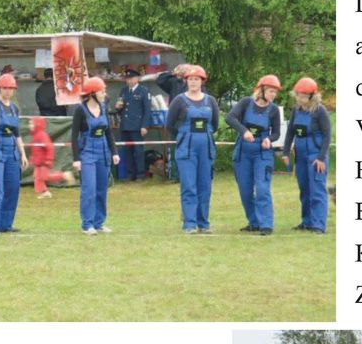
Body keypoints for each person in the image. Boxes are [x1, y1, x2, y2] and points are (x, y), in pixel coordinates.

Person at [165, 63, 219, 233]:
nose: (194, 82)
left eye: (197, 79)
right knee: (189, 186)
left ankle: (203, 223)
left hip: (206, 147)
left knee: (205, 186)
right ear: (186, 81)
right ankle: (189, 224)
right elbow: (170, 124)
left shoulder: (211, 101)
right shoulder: (179, 100)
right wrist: (183, 136)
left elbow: (215, 124)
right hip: (186, 149)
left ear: (202, 82)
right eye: (190, 79)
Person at [229, 73, 281, 235]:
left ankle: (266, 224)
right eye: (271, 91)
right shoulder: (245, 103)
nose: (273, 95)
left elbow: (276, 133)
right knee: (245, 190)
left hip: (262, 154)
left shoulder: (273, 111)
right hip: (243, 152)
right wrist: (243, 131)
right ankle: (254, 222)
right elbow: (230, 118)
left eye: (275, 92)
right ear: (261, 90)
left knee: (262, 188)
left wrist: (269, 139)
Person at [281, 76, 330, 233]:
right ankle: (306, 221)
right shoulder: (296, 110)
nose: (300, 99)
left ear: (312, 96)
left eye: (303, 96)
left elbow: (327, 135)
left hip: (316, 156)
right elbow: (290, 132)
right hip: (301, 156)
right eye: (298, 95)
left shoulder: (320, 111)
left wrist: (321, 158)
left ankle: (318, 225)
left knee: (317, 191)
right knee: (305, 190)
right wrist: (286, 151)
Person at [72, 77, 120, 235]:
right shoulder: (80, 110)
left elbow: (108, 132)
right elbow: (73, 136)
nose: (104, 93)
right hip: (87, 153)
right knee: (89, 189)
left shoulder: (104, 107)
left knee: (102, 190)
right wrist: (77, 159)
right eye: (102, 91)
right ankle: (87, 224)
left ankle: (99, 223)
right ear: (92, 93)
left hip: (103, 151)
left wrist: (114, 153)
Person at [0, 72, 28, 235]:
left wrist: (23, 153)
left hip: (12, 151)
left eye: (11, 88)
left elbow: (17, 133)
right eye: (5, 88)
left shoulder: (14, 108)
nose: (8, 91)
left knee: (13, 188)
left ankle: (6, 224)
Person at [114, 68, 154, 180]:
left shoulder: (143, 91)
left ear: (137, 79)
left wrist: (144, 126)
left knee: (138, 151)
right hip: (125, 125)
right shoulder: (124, 91)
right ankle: (130, 174)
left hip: (137, 126)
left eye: (131, 78)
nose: (129, 81)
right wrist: (117, 108)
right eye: (127, 79)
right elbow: (120, 108)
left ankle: (140, 174)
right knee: (127, 151)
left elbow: (147, 111)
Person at [29, 114, 73, 198]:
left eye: (32, 123)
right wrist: (33, 158)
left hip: (43, 162)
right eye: (30, 123)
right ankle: (44, 192)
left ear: (37, 124)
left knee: (46, 177)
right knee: (37, 177)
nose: (30, 126)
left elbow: (50, 147)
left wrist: (49, 159)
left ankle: (64, 175)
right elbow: (35, 149)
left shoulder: (42, 135)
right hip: (38, 162)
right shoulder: (35, 135)